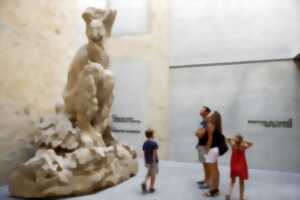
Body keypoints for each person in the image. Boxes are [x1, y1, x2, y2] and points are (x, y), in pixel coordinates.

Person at [226, 134, 253, 200]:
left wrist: (232, 139)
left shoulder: (233, 145)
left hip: (233, 166)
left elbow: (227, 139)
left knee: (232, 180)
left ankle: (229, 193)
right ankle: (241, 198)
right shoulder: (243, 146)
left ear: (236, 139)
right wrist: (243, 141)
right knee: (241, 182)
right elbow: (251, 143)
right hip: (241, 166)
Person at [204, 111, 223, 197]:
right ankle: (216, 189)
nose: (209, 115)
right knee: (216, 170)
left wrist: (207, 149)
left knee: (212, 171)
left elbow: (210, 140)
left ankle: (212, 190)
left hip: (212, 149)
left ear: (213, 118)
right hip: (216, 149)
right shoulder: (217, 127)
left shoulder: (210, 126)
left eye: (210, 115)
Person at [195, 106, 211, 189]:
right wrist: (199, 133)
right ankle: (205, 180)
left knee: (207, 164)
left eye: (202, 109)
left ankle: (208, 183)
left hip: (206, 146)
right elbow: (197, 133)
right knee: (204, 164)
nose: (200, 110)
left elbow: (200, 134)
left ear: (207, 112)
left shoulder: (208, 121)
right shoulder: (202, 122)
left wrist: (199, 133)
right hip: (201, 144)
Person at [141, 129, 159, 194]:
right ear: (152, 135)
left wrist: (146, 161)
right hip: (153, 161)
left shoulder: (145, 143)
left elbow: (144, 153)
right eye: (153, 134)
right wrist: (154, 161)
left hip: (147, 161)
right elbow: (155, 153)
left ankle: (144, 182)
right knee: (153, 175)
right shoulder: (154, 143)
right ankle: (151, 187)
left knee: (149, 173)